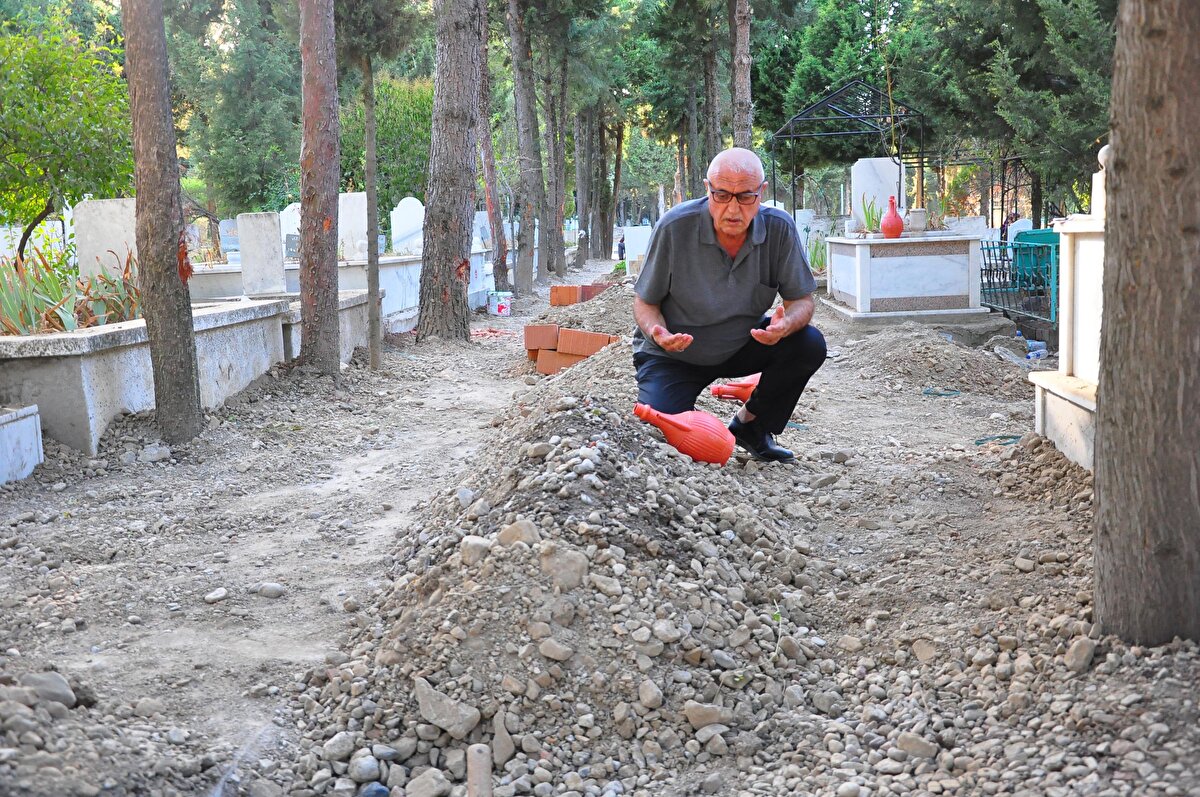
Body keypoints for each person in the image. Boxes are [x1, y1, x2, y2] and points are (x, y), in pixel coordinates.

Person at [631, 147, 826, 463]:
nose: (733, 208)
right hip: (674, 354)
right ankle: (684, 416)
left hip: (740, 343)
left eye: (745, 197)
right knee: (665, 439)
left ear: (761, 193)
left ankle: (752, 425)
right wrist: (659, 333)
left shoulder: (779, 228)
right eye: (721, 195)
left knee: (809, 343)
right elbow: (644, 302)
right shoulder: (674, 228)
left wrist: (785, 325)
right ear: (707, 188)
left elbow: (801, 300)